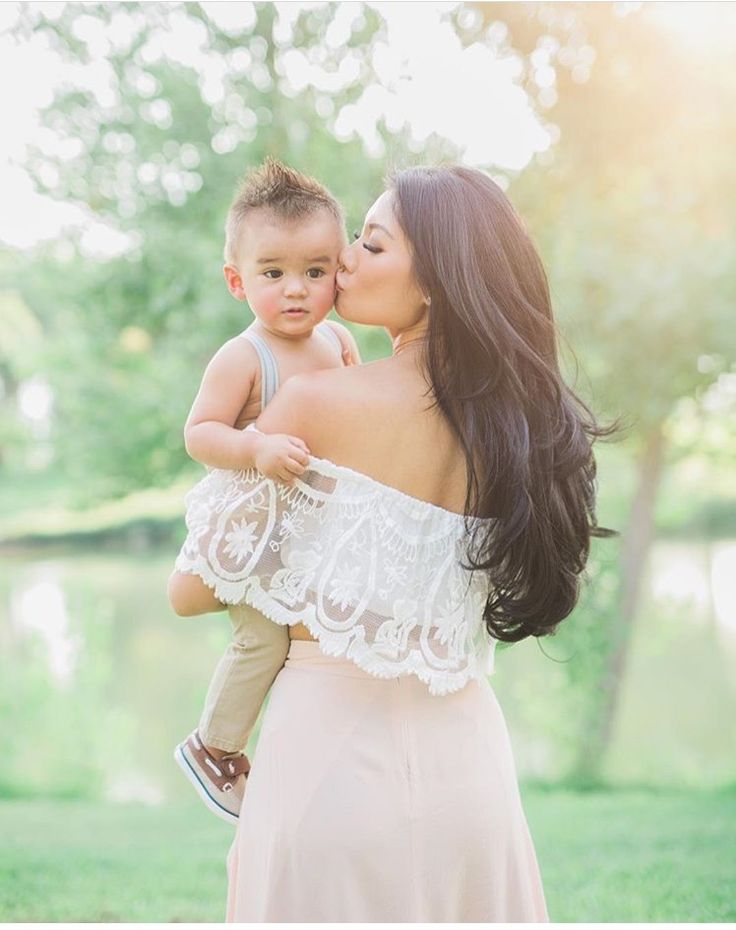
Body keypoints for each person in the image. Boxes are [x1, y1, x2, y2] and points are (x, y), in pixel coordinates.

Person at [169, 164, 617, 922]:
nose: (343, 261)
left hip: (328, 767)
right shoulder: (519, 433)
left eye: (370, 247)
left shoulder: (312, 401)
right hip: (471, 773)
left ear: (438, 280)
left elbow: (193, 590)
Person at [168, 157, 361, 824]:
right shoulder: (245, 356)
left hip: (303, 530)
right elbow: (199, 433)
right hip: (248, 533)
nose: (297, 290)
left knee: (320, 638)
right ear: (236, 280)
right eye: (273, 273)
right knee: (264, 642)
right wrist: (254, 446)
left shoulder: (337, 341)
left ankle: (309, 759)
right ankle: (214, 745)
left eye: (315, 270)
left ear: (340, 268)